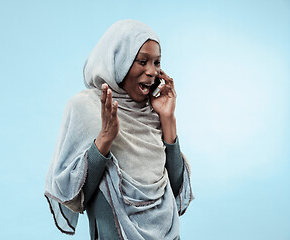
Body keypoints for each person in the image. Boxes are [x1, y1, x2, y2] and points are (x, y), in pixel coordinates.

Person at [44, 19, 193, 240]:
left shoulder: (153, 112)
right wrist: (105, 138)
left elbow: (176, 189)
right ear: (118, 60)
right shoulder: (86, 108)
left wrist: (168, 119)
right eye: (142, 61)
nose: (152, 72)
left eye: (157, 62)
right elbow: (76, 194)